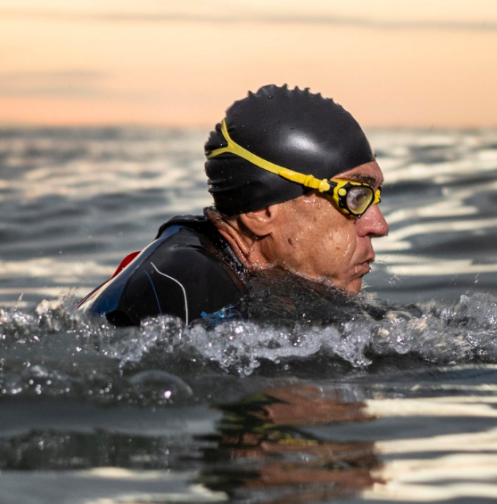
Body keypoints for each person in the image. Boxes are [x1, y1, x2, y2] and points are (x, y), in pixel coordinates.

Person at [78, 85, 389, 327]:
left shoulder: (243, 277)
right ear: (261, 212)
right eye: (355, 196)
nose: (379, 225)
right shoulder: (181, 287)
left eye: (374, 197)